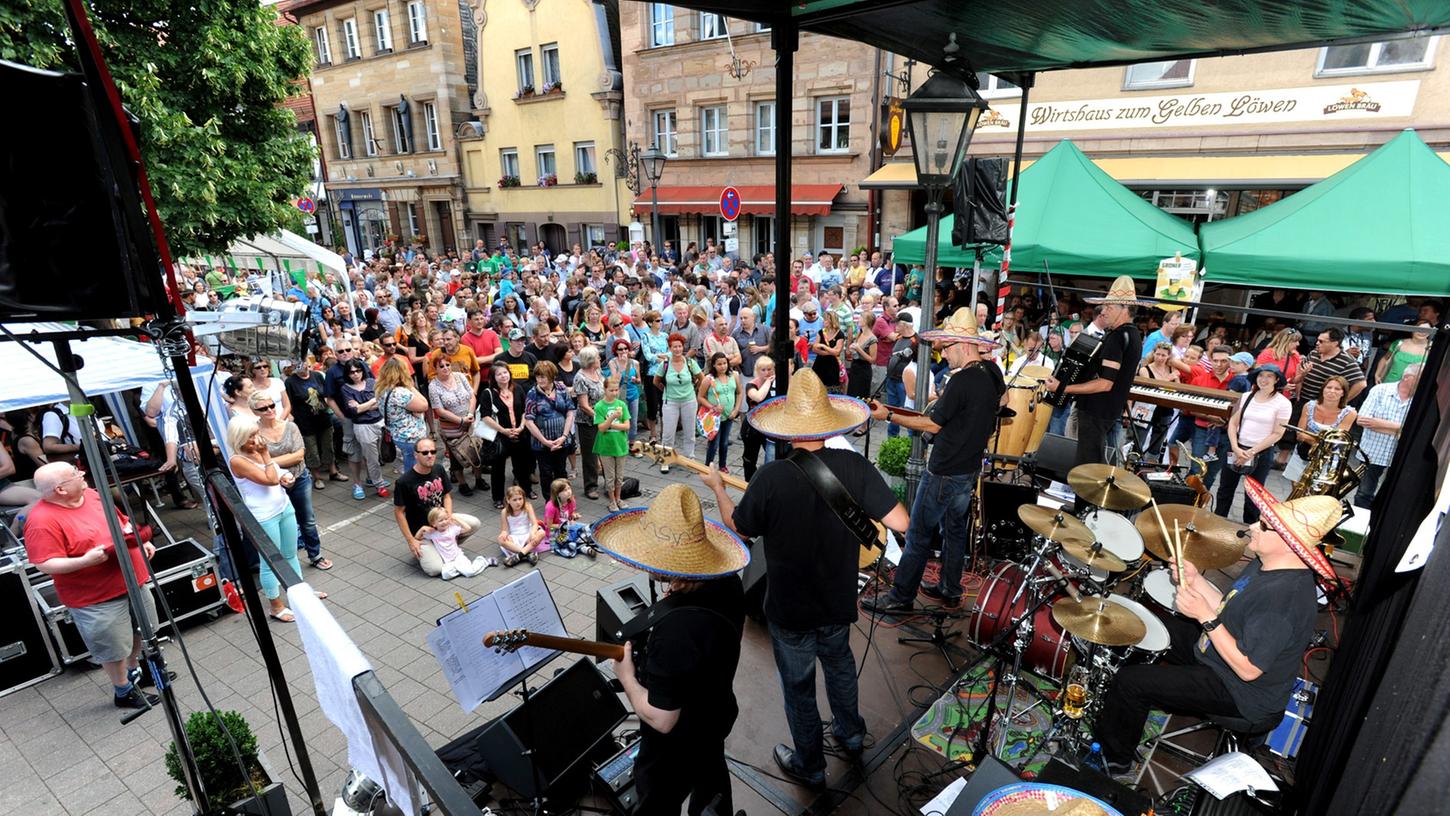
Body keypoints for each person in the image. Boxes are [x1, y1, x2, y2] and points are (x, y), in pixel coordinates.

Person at [700, 369, 909, 789]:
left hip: (790, 608)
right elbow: (901, 520)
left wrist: (719, 489)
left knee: (798, 687)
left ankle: (810, 763)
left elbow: (738, 529)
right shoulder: (853, 465)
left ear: (787, 427)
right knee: (840, 666)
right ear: (828, 421)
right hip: (836, 602)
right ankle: (851, 735)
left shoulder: (770, 478)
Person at [1095, 483, 1341, 774]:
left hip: (1242, 693)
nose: (1252, 526)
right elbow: (1231, 608)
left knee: (1131, 681)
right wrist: (1196, 579)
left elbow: (1249, 669)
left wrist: (1204, 617)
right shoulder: (1268, 562)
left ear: (1288, 542)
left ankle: (1113, 760)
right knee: (1142, 624)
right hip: (1218, 655)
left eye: (1264, 525)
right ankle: (1122, 713)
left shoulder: (1282, 600)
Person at [593, 484, 748, 815]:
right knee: (712, 788)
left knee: (657, 801)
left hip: (677, 744)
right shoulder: (730, 583)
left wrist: (628, 677)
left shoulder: (675, 630)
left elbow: (662, 720)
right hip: (715, 716)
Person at [864, 309, 1006, 613]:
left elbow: (932, 425)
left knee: (918, 534)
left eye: (948, 346)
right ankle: (950, 588)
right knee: (954, 530)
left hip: (943, 471)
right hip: (968, 470)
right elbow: (1003, 401)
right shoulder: (992, 372)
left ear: (964, 345)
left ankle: (901, 597)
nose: (944, 353)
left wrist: (887, 414)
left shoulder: (961, 382)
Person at [24, 462, 161, 709]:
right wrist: (84, 561)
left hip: (132, 581)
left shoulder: (90, 494)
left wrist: (141, 542)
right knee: (113, 646)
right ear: (61, 490)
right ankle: (123, 690)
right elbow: (44, 563)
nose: (82, 473)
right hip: (97, 596)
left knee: (140, 629)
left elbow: (122, 523)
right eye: (75, 474)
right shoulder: (41, 521)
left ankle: (137, 671)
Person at [1044, 277, 1146, 509]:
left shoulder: (1117, 337)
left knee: (1086, 468)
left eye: (1109, 306)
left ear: (1124, 309)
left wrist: (1063, 387)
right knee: (1095, 464)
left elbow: (1105, 383)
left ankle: (1084, 514)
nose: (1104, 311)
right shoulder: (1134, 335)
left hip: (1096, 409)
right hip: (1108, 410)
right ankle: (1090, 510)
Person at [227, 416, 324, 623]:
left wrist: (285, 476)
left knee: (290, 554)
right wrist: (267, 458)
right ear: (239, 438)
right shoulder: (237, 460)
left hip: (283, 506)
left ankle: (300, 596)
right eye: (250, 436)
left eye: (255, 433)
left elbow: (275, 472)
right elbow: (269, 478)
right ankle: (276, 605)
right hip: (263, 516)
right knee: (270, 561)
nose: (256, 439)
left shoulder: (256, 452)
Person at [251, 392, 332, 570]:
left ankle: (315, 555)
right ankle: (282, 562)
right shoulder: (253, 433)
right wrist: (280, 460)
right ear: (254, 411)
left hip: (299, 477)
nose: (270, 410)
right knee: (278, 521)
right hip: (272, 483)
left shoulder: (290, 427)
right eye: (263, 408)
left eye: (272, 405)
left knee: (307, 519)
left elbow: (299, 455)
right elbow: (256, 461)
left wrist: (269, 461)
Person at [393, 440, 485, 576]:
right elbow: (399, 513)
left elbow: (447, 496)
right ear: (416, 455)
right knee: (435, 570)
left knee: (474, 523)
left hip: (442, 522)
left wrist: (448, 517)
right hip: (423, 531)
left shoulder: (439, 469)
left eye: (433, 452)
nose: (429, 455)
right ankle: (435, 548)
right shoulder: (404, 482)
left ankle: (446, 544)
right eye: (424, 452)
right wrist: (411, 540)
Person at [1216, 366, 1291, 522]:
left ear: (1277, 380)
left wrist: (1251, 452)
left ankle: (1249, 531)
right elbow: (1233, 423)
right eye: (1261, 375)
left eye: (1269, 376)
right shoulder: (1247, 396)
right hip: (1237, 448)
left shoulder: (1283, 403)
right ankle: (1217, 522)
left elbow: (1277, 433)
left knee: (1253, 496)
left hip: (1261, 453)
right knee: (1225, 490)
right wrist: (1236, 447)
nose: (1264, 379)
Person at [1355, 364, 1420, 508]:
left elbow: (1416, 430)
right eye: (1420, 379)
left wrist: (1379, 423)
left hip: (1400, 455)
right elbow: (1362, 420)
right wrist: (1400, 429)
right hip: (1373, 452)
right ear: (1407, 378)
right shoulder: (1380, 390)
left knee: (1392, 497)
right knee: (1364, 493)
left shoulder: (1420, 399)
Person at [478, 361, 536, 508]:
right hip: (500, 436)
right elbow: (485, 417)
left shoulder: (518, 389)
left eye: (505, 373)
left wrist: (522, 426)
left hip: (519, 433)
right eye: (499, 374)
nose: (503, 376)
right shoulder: (488, 393)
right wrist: (503, 430)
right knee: (498, 468)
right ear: (493, 377)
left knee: (523, 466)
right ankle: (498, 497)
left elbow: (525, 410)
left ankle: (526, 490)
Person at [428, 356, 486, 497]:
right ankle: (462, 483)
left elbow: (472, 395)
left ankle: (479, 479)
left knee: (475, 450)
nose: (446, 368)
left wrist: (470, 415)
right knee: (456, 456)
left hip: (469, 420)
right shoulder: (433, 386)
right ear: (435, 369)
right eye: (441, 366)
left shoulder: (459, 376)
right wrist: (460, 421)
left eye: (447, 364)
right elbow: (439, 410)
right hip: (450, 427)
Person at [285, 360, 347, 487]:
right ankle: (316, 477)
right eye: (297, 364)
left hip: (323, 417)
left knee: (328, 446)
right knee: (311, 450)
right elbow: (289, 403)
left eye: (303, 362)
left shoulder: (317, 375)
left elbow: (326, 395)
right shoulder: (290, 382)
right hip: (304, 421)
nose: (301, 366)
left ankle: (333, 472)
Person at [338, 359, 389, 499]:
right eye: (352, 372)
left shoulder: (372, 382)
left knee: (381, 454)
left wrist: (362, 406)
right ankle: (379, 485)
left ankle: (374, 478)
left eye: (358, 371)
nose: (355, 374)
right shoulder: (345, 388)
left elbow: (380, 401)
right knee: (371, 457)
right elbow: (354, 411)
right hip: (362, 426)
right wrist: (371, 402)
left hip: (380, 422)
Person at [524, 361, 577, 489]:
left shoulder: (561, 388)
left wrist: (564, 436)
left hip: (561, 440)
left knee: (561, 472)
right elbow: (529, 421)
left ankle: (564, 501)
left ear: (552, 376)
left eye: (543, 376)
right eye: (537, 376)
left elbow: (570, 412)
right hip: (542, 443)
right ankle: (550, 504)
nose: (539, 379)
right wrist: (544, 441)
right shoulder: (532, 393)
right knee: (546, 474)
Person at [654, 333, 701, 473]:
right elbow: (656, 381)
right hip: (670, 402)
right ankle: (665, 459)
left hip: (689, 400)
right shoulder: (665, 364)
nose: (677, 349)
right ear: (670, 348)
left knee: (690, 431)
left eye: (680, 346)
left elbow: (702, 378)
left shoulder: (690, 363)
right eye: (674, 347)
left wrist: (694, 388)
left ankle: (689, 458)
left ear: (683, 347)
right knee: (668, 433)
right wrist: (666, 390)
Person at [376, 357, 430, 473]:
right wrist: (411, 387)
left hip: (398, 435)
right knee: (415, 467)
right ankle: (413, 489)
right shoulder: (400, 392)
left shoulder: (381, 390)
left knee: (408, 461)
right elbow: (424, 405)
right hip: (411, 437)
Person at [416, 507, 495, 580]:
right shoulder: (433, 533)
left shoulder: (452, 529)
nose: (444, 522)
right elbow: (417, 538)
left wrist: (455, 519)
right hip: (448, 561)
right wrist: (422, 529)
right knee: (445, 575)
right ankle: (462, 569)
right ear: (433, 524)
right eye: (441, 520)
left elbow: (468, 528)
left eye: (446, 519)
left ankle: (483, 561)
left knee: (470, 572)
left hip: (458, 556)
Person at [698, 352, 744, 474]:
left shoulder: (734, 375)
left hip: (729, 415)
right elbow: (701, 397)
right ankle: (708, 466)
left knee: (724, 442)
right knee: (714, 442)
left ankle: (722, 465)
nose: (722, 366)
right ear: (713, 365)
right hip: (715, 417)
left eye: (724, 363)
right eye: (719, 364)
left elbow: (739, 393)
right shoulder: (708, 379)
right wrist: (712, 407)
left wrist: (736, 410)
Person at [573, 347, 607, 500]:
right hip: (588, 422)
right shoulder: (580, 377)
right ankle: (591, 486)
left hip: (603, 417)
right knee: (590, 455)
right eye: (598, 358)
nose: (600, 360)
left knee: (606, 451)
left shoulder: (598, 373)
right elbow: (584, 405)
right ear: (591, 361)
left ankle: (609, 481)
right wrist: (601, 417)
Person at [1136, 342, 1181, 459]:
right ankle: (1133, 462)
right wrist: (1169, 378)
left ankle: (1150, 466)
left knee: (1158, 441)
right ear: (1153, 354)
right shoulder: (1145, 369)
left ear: (1168, 357)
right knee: (1139, 439)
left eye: (1163, 355)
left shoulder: (1171, 369)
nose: (1160, 358)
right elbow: (1152, 387)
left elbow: (1179, 388)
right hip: (1146, 407)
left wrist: (1175, 379)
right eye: (1158, 354)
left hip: (1165, 408)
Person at [594, 377, 632, 512]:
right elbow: (601, 428)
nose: (614, 393)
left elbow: (627, 426)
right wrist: (612, 417)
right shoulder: (599, 406)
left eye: (616, 390)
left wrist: (611, 424)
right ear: (604, 389)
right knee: (610, 477)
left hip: (620, 445)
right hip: (605, 447)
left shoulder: (622, 404)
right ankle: (612, 501)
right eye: (611, 390)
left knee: (619, 475)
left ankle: (618, 498)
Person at [740, 356, 779, 481]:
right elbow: (758, 397)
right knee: (750, 458)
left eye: (769, 369)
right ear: (757, 370)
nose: (767, 373)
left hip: (768, 427)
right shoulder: (751, 385)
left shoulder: (776, 384)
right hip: (752, 427)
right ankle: (749, 483)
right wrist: (768, 382)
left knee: (772, 457)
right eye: (763, 370)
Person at [543, 478, 597, 557]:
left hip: (567, 526)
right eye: (565, 490)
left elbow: (570, 516)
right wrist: (564, 525)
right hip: (555, 531)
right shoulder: (551, 506)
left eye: (569, 488)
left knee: (587, 528)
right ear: (557, 494)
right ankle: (583, 547)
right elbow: (548, 525)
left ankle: (582, 546)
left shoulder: (571, 500)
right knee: (567, 538)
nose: (568, 491)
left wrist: (574, 516)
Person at [497, 485, 545, 566]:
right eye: (514, 500)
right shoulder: (505, 512)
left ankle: (518, 556)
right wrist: (503, 534)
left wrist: (532, 533)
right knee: (500, 540)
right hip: (515, 536)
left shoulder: (527, 506)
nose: (518, 502)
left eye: (520, 499)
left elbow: (534, 524)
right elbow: (504, 529)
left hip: (528, 534)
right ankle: (528, 553)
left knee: (542, 533)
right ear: (508, 500)